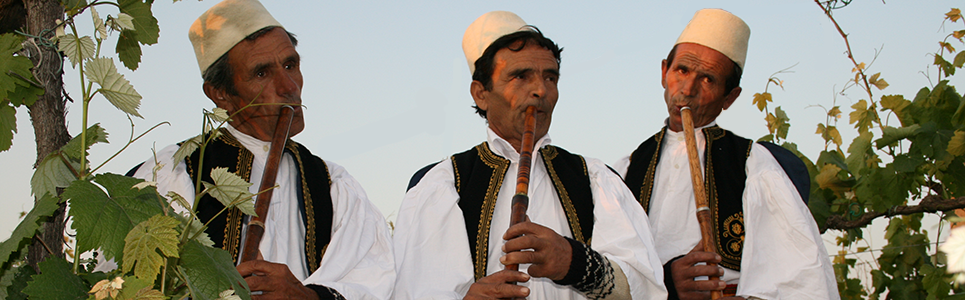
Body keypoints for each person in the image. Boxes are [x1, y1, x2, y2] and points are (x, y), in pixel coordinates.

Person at [392, 11, 667, 300]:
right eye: (520, 76)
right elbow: (411, 292)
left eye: (551, 77)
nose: (541, 90)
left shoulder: (595, 179)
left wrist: (573, 262)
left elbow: (645, 288)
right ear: (481, 94)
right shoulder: (443, 183)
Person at [128, 0, 394, 299]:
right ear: (220, 94)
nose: (288, 86)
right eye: (261, 73)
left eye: (291, 65)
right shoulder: (174, 173)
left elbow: (375, 280)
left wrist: (307, 297)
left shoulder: (332, 183)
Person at [613, 8, 838, 300]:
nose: (688, 89)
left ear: (730, 98)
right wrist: (666, 282)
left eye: (707, 79)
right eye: (682, 70)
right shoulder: (626, 169)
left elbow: (803, 277)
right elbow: (608, 272)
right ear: (664, 72)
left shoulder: (753, 164)